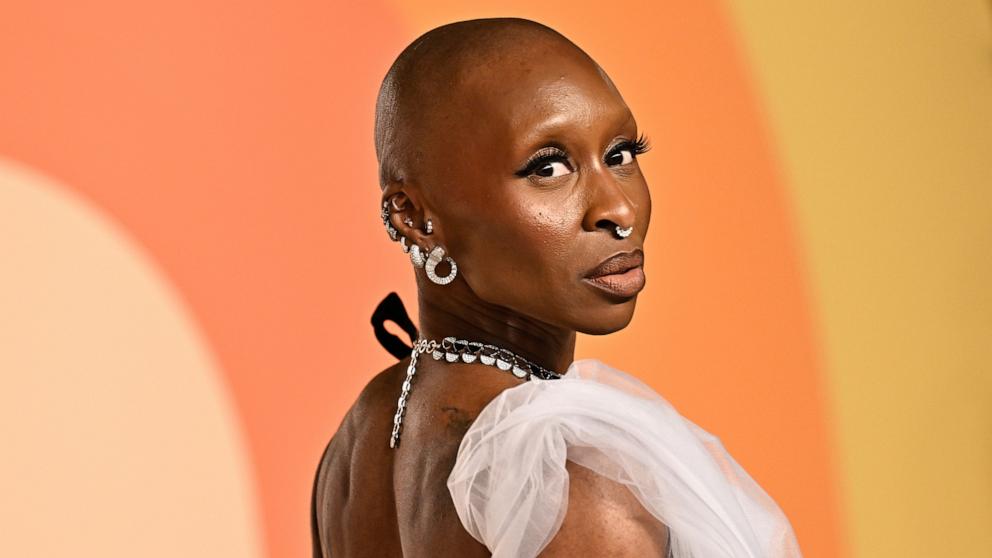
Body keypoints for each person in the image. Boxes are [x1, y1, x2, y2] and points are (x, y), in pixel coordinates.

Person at [311, 17, 802, 557]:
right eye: (548, 168)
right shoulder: (576, 487)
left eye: (621, 155)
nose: (617, 209)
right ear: (414, 215)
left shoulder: (360, 443)